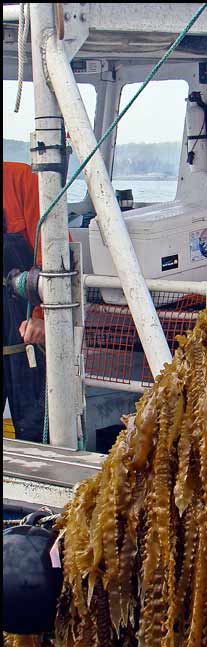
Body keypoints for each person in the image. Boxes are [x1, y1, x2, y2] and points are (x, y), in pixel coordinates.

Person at [3, 161, 47, 441]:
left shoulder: (23, 179)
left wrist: (42, 318)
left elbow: (55, 258)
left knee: (32, 428)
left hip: (24, 333)